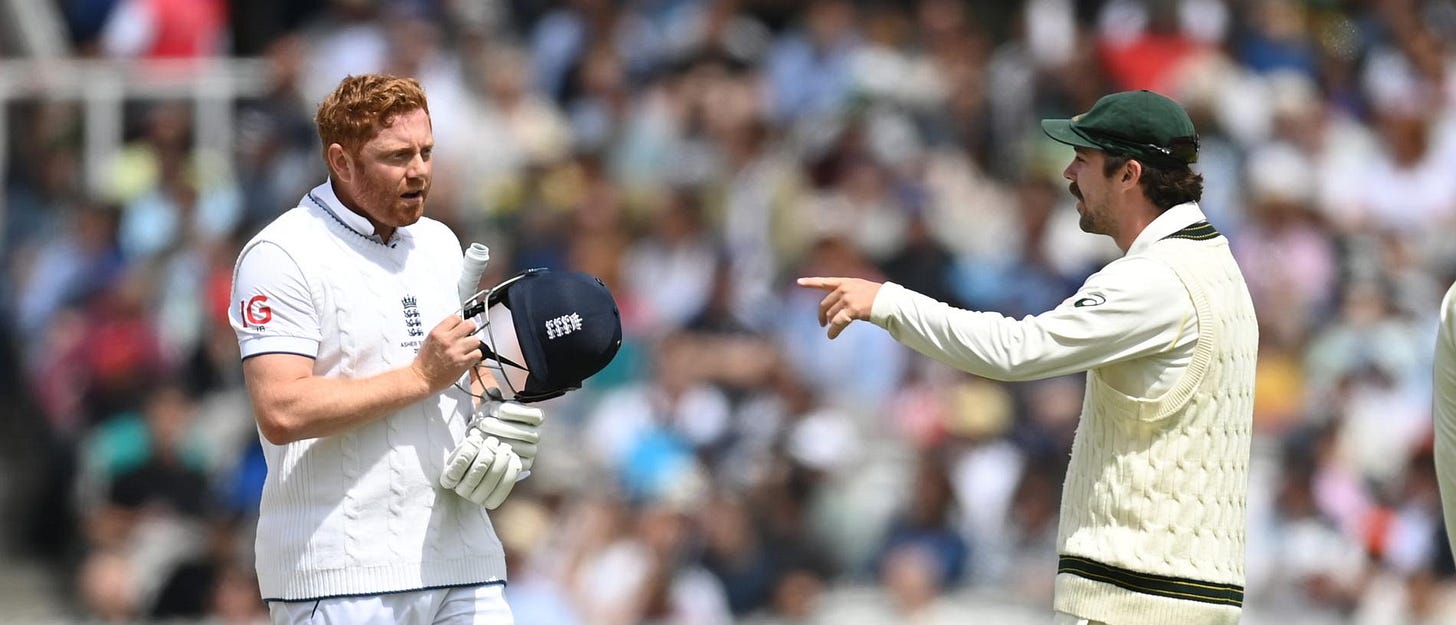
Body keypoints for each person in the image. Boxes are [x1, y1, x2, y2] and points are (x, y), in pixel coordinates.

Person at [800, 90, 1258, 625]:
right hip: (1182, 594)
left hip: (1135, 597)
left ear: (1129, 174)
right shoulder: (1217, 265)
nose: (1069, 174)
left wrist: (888, 302)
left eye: (1083, 160)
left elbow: (1016, 350)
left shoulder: (1155, 279)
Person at [230, 74, 547, 624]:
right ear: (341, 161)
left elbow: (462, 375)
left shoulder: (440, 244)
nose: (419, 170)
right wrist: (420, 377)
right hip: (340, 572)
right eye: (397, 156)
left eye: (426, 151)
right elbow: (281, 410)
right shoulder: (280, 254)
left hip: (463, 557)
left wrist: (494, 425)